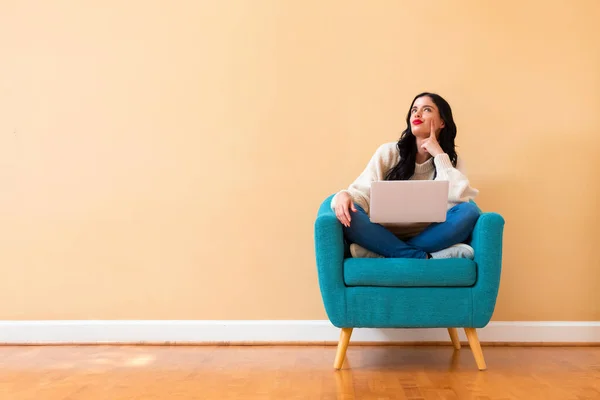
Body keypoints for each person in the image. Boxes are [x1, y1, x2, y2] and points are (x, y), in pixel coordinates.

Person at [331, 92, 480, 259]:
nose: (417, 114)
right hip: (380, 233)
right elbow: (362, 194)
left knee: (470, 211)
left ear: (442, 122)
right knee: (349, 212)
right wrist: (343, 195)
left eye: (427, 109)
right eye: (414, 110)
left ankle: (385, 253)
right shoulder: (388, 152)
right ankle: (423, 257)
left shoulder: (450, 161)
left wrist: (439, 155)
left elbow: (460, 200)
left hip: (430, 235)